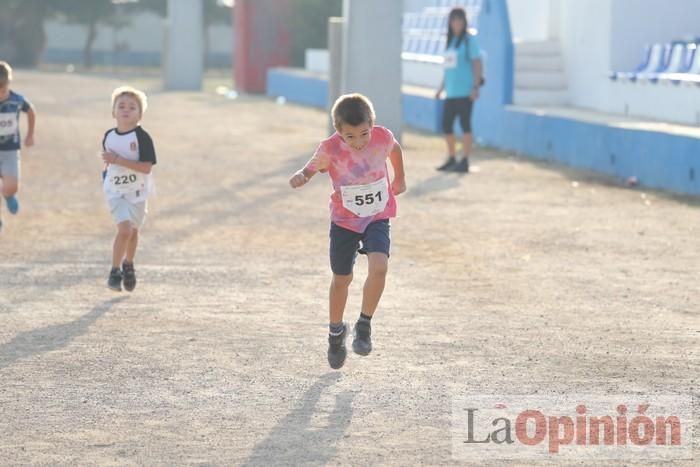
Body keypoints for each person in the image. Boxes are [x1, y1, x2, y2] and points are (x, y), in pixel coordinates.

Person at [289, 93, 407, 369]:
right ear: (338, 131)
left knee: (380, 267)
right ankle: (335, 332)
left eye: (364, 133)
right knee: (342, 278)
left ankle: (364, 324)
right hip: (344, 220)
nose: (359, 142)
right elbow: (309, 169)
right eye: (350, 136)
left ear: (372, 125)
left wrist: (399, 177)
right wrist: (301, 177)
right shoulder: (330, 148)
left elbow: (395, 149)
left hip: (377, 215)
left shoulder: (382, 137)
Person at [101, 86, 157, 292]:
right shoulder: (108, 136)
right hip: (115, 192)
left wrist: (119, 160)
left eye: (132, 107)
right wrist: (108, 173)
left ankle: (129, 265)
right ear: (113, 111)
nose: (126, 110)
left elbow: (146, 167)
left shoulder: (142, 138)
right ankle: (114, 271)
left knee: (133, 232)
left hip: (137, 192)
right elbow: (108, 164)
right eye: (121, 106)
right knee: (124, 230)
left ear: (140, 114)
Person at [435, 7, 483, 173]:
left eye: (460, 20)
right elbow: (447, 70)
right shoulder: (450, 41)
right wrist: (440, 89)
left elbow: (477, 63)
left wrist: (476, 86)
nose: (457, 23)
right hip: (451, 92)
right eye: (454, 20)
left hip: (465, 92)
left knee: (465, 125)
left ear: (464, 22)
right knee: (446, 125)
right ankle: (452, 157)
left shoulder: (469, 41)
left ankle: (465, 159)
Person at [0, 61, 36, 231]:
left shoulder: (17, 100)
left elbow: (31, 111)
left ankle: (7, 195)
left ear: (8, 83)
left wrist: (30, 134)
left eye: (2, 89)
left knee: (12, 186)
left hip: (10, 150)